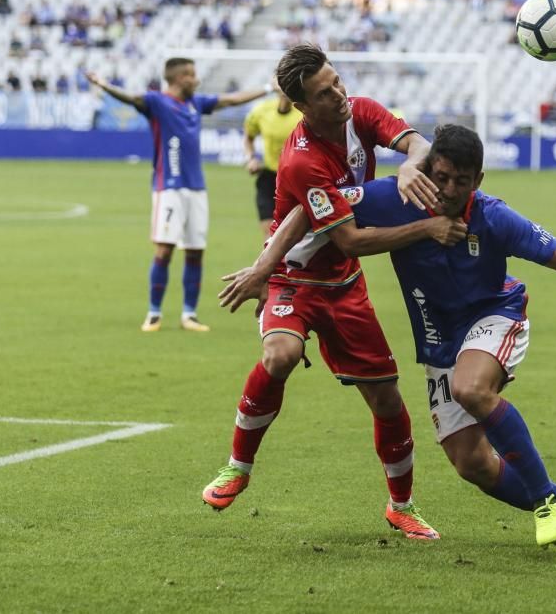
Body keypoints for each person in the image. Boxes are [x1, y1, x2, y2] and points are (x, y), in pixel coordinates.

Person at [220, 125, 556, 552]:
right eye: (442, 177)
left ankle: (545, 502)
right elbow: (312, 208)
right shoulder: (397, 198)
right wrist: (264, 268)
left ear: (479, 180)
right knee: (472, 464)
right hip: (442, 340)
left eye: (462, 182)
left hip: (497, 315)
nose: (449, 190)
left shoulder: (493, 217)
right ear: (429, 169)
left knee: (470, 388)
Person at [201, 44, 467, 541]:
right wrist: (428, 228)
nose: (339, 95)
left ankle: (401, 506)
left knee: (387, 401)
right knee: (281, 354)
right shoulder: (302, 161)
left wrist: (412, 161)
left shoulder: (360, 110)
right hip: (294, 279)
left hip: (344, 286)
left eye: (338, 81)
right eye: (325, 93)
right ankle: (238, 466)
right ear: (302, 106)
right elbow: (351, 240)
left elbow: (417, 142)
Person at [87, 58, 271, 332]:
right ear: (178, 78)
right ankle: (154, 313)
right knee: (164, 250)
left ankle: (189, 315)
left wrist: (268, 87)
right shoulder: (157, 102)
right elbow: (131, 98)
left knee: (196, 252)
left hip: (197, 189)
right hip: (168, 187)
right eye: (191, 75)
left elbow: (231, 100)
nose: (196, 80)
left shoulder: (195, 103)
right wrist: (104, 85)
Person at [242, 90, 303, 236]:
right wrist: (251, 158)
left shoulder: (304, 114)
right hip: (268, 178)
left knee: (293, 238)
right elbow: (248, 136)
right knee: (270, 238)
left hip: (295, 179)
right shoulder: (262, 111)